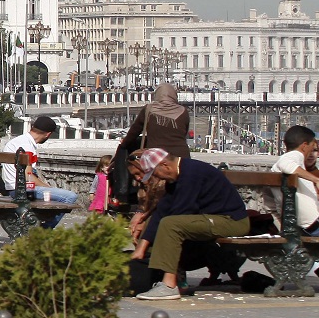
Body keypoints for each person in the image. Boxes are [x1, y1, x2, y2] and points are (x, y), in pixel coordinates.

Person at [129, 150, 248, 300]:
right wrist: (141, 248)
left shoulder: (192, 174)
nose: (156, 177)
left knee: (171, 224)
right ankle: (162, 278)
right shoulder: (177, 176)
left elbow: (181, 212)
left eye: (155, 173)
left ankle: (169, 285)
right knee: (162, 222)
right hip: (210, 218)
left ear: (165, 165)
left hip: (231, 221)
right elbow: (162, 211)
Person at [2, 116, 81, 214]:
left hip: (13, 188)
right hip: (22, 191)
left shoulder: (18, 141)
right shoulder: (27, 147)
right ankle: (45, 228)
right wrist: (47, 187)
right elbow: (28, 176)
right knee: (70, 197)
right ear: (48, 134)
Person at [119, 82, 191, 160]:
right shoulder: (183, 111)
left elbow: (134, 131)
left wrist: (123, 145)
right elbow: (184, 133)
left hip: (156, 157)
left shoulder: (148, 109)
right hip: (181, 157)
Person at [271, 125, 319, 236]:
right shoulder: (294, 155)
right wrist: (316, 180)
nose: (311, 152)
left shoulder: (280, 165)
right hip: (312, 226)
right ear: (304, 146)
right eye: (312, 147)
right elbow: (286, 164)